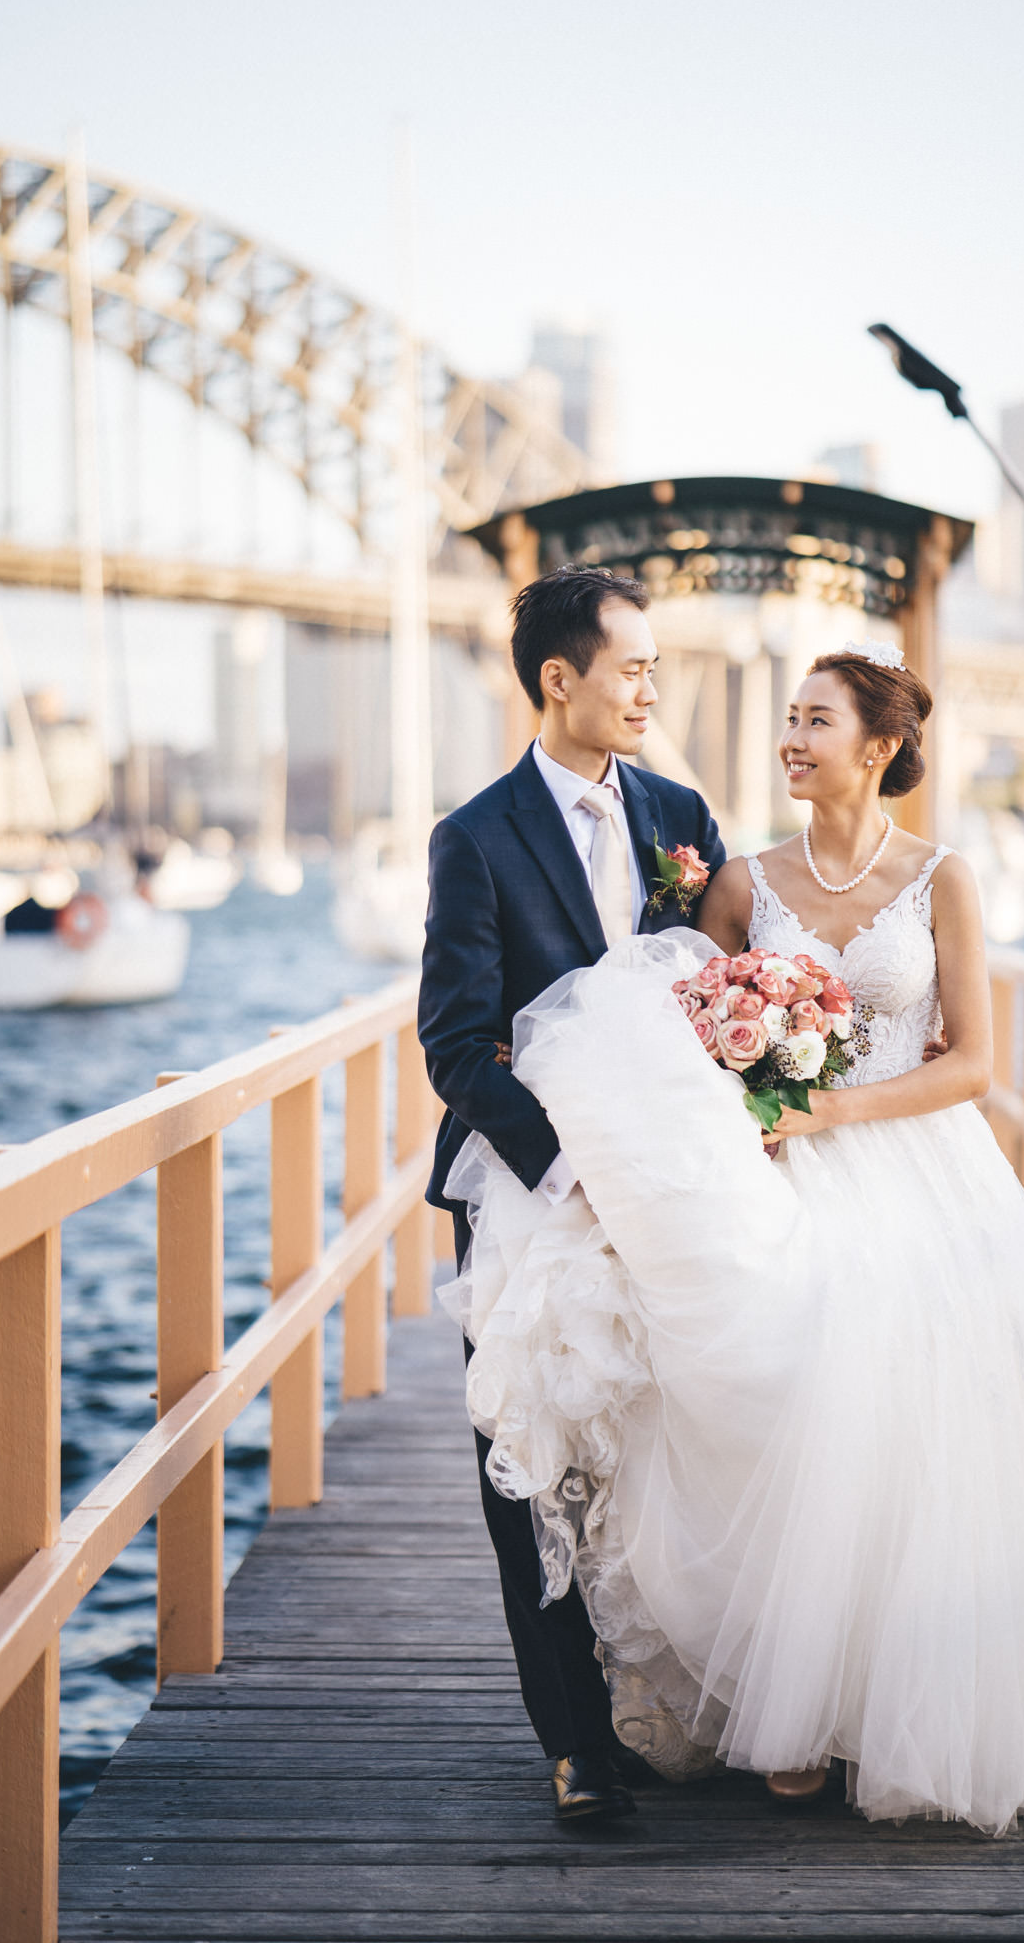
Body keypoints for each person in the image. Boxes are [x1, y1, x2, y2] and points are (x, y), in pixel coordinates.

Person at [447, 633, 1024, 1835]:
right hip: (759, 1171)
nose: (791, 736)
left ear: (879, 746)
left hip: (914, 1166)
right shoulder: (732, 879)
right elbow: (671, 1021)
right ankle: (763, 1710)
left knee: (916, 1427)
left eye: (816, 719)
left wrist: (830, 1103)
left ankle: (884, 1700)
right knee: (777, 1404)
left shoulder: (944, 878)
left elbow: (975, 1059)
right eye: (789, 715)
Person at [419, 565, 726, 1822]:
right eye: (633, 665)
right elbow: (455, 1039)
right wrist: (571, 1165)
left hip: (669, 1186)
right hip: (530, 1188)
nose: (652, 686)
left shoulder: (680, 812)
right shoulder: (475, 836)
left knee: (671, 1441)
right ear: (562, 678)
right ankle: (575, 1739)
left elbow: (716, 995)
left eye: (657, 665)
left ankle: (688, 1692)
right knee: (532, 1456)